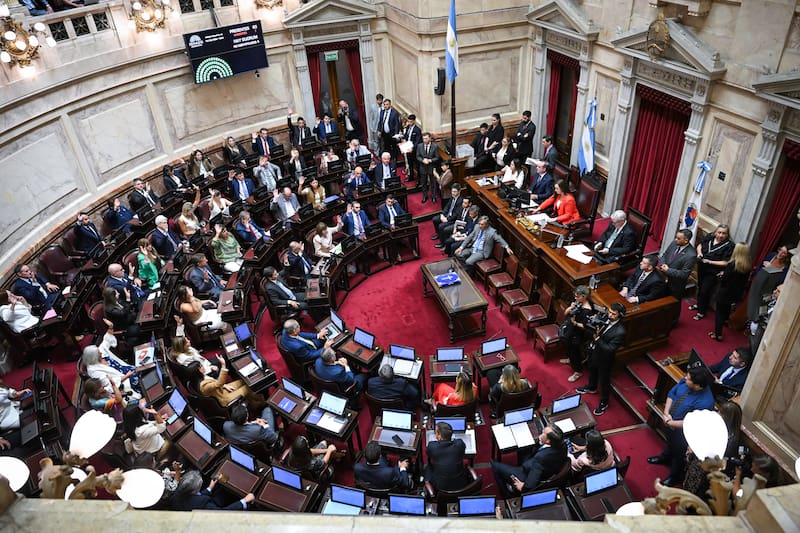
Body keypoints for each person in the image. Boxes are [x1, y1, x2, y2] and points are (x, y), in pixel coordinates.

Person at [647, 367, 715, 486]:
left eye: (688, 379)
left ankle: (674, 476)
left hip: (684, 432)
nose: (684, 379)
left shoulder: (705, 402)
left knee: (679, 454)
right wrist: (666, 413)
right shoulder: (686, 381)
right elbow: (672, 393)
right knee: (670, 443)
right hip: (670, 420)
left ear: (698, 385)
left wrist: (670, 423)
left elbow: (693, 422)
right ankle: (665, 457)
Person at [576, 302, 627, 416]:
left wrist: (598, 339)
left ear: (620, 315)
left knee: (604, 380)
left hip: (605, 359)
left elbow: (610, 349)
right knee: (592, 370)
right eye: (609, 312)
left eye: (613, 314)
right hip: (595, 352)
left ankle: (604, 401)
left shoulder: (620, 332)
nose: (609, 315)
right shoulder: (605, 317)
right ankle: (591, 387)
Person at [490, 425, 567, 497]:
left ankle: (508, 495)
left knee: (494, 465)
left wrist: (523, 488)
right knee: (523, 445)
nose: (542, 431)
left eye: (543, 433)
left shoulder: (540, 458)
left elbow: (531, 484)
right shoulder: (563, 444)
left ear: (548, 441)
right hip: (541, 464)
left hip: (527, 473)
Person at [188, 355, 267, 411]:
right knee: (249, 387)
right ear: (198, 370)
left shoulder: (201, 377)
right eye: (201, 366)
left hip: (222, 390)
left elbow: (216, 384)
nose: (203, 367)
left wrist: (225, 386)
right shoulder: (203, 386)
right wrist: (223, 365)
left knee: (243, 381)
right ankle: (264, 404)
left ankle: (253, 404)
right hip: (224, 398)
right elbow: (218, 383)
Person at [691, 224, 734, 321]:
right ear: (715, 232)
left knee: (705, 290)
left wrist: (710, 262)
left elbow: (725, 262)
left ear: (727, 235)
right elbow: (700, 245)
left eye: (724, 233)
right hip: (702, 267)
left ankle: (701, 312)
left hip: (713, 271)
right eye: (719, 232)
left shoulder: (729, 246)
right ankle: (698, 304)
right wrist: (700, 253)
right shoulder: (710, 237)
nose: (721, 235)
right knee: (700, 286)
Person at [710, 242, 752, 340]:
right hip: (735, 293)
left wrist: (721, 276)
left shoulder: (732, 264)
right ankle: (725, 323)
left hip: (725, 292)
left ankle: (717, 334)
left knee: (719, 312)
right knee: (726, 310)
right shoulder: (747, 264)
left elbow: (725, 279)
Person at [558, 285, 597, 383]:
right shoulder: (577, 302)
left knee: (574, 352)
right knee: (567, 346)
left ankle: (578, 371)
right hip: (570, 329)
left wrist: (575, 323)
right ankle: (570, 359)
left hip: (577, 334)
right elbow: (566, 313)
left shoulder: (587, 310)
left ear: (584, 297)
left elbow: (585, 326)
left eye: (577, 296)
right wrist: (571, 307)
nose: (575, 298)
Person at [747, 244, 791, 326]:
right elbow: (759, 267)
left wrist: (771, 268)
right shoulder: (771, 255)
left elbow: (780, 280)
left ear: (788, 256)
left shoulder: (786, 269)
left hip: (769, 291)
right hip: (758, 285)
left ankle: (754, 327)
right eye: (780, 250)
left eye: (784, 253)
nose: (780, 253)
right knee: (750, 305)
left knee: (761, 310)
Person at [171, 470, 254, 511]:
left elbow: (194, 497)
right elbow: (223, 514)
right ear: (197, 488)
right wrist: (244, 501)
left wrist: (210, 488)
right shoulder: (205, 505)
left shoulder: (177, 494)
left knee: (222, 491)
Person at [424, 421, 472, 491]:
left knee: (427, 468)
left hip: (440, 486)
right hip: (460, 483)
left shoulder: (432, 446)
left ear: (439, 436)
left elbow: (429, 454)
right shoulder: (459, 444)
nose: (435, 435)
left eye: (435, 433)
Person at [658, 229, 698, 300]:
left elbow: (684, 274)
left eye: (678, 238)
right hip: (663, 278)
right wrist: (662, 264)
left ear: (686, 240)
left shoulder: (691, 255)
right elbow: (665, 255)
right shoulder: (674, 243)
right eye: (676, 237)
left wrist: (668, 270)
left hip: (675, 285)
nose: (675, 239)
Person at [416, 132, 441, 203]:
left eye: (426, 138)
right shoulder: (419, 146)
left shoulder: (435, 146)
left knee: (433, 183)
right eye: (423, 139)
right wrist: (422, 160)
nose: (424, 140)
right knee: (423, 183)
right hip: (423, 167)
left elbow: (437, 157)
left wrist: (430, 160)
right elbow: (418, 156)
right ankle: (425, 196)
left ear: (430, 138)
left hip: (431, 167)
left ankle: (433, 196)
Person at [402, 114, 422, 182]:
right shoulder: (408, 127)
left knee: (417, 165)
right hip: (407, 149)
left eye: (411, 121)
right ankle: (411, 177)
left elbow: (418, 141)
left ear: (414, 121)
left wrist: (412, 148)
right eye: (409, 121)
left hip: (415, 151)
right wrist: (404, 140)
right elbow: (406, 136)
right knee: (410, 164)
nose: (409, 123)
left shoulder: (417, 130)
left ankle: (419, 180)